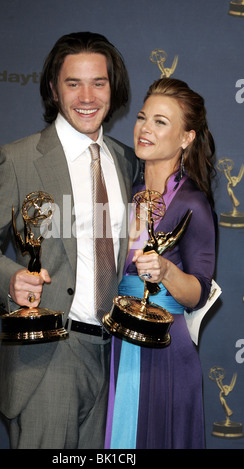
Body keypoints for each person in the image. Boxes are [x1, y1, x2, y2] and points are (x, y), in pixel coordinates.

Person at [0, 32, 138, 449]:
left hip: (115, 357)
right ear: (54, 90)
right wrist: (9, 278)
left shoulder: (125, 160)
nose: (87, 96)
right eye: (73, 83)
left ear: (114, 88)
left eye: (99, 82)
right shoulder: (17, 160)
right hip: (49, 355)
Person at [105, 78, 217, 449]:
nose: (145, 129)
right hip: (116, 342)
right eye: (141, 117)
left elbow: (198, 293)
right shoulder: (123, 193)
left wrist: (166, 271)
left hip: (165, 349)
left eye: (160, 121)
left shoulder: (192, 203)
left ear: (187, 137)